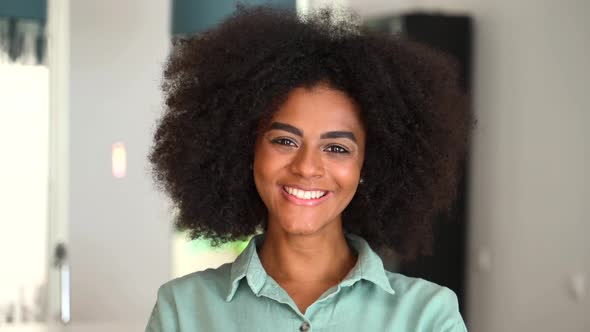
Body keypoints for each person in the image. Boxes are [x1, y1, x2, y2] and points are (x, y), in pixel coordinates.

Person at [146, 5, 470, 332]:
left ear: (369, 166)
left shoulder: (427, 315)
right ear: (246, 148)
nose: (307, 167)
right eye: (285, 141)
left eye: (337, 148)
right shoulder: (183, 310)